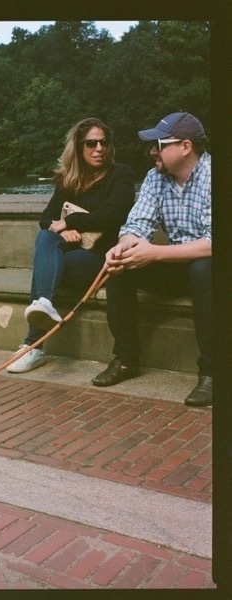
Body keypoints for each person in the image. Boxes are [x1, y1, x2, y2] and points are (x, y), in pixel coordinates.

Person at [92, 113, 211, 407]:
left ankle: (213, 372)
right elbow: (135, 225)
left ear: (185, 146)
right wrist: (124, 246)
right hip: (176, 267)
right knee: (121, 265)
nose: (152, 152)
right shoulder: (155, 178)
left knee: (204, 268)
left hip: (211, 270)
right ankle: (126, 359)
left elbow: (215, 242)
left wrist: (155, 252)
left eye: (159, 144)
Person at [6, 118, 135, 373]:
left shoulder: (121, 174)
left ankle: (33, 344)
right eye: (91, 143)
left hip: (100, 259)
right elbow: (46, 220)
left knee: (47, 260)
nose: (99, 148)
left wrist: (71, 221)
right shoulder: (68, 180)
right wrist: (66, 231)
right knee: (45, 238)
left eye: (103, 142)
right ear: (78, 147)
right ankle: (43, 310)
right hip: (70, 258)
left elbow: (115, 214)